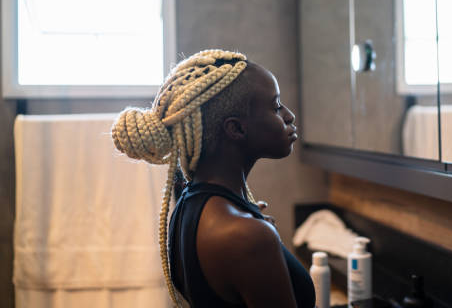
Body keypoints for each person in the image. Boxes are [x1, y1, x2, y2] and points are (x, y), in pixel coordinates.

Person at [111, 50, 315, 308]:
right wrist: (258, 236)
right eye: (275, 106)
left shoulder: (190, 205)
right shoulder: (246, 236)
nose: (289, 116)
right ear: (236, 129)